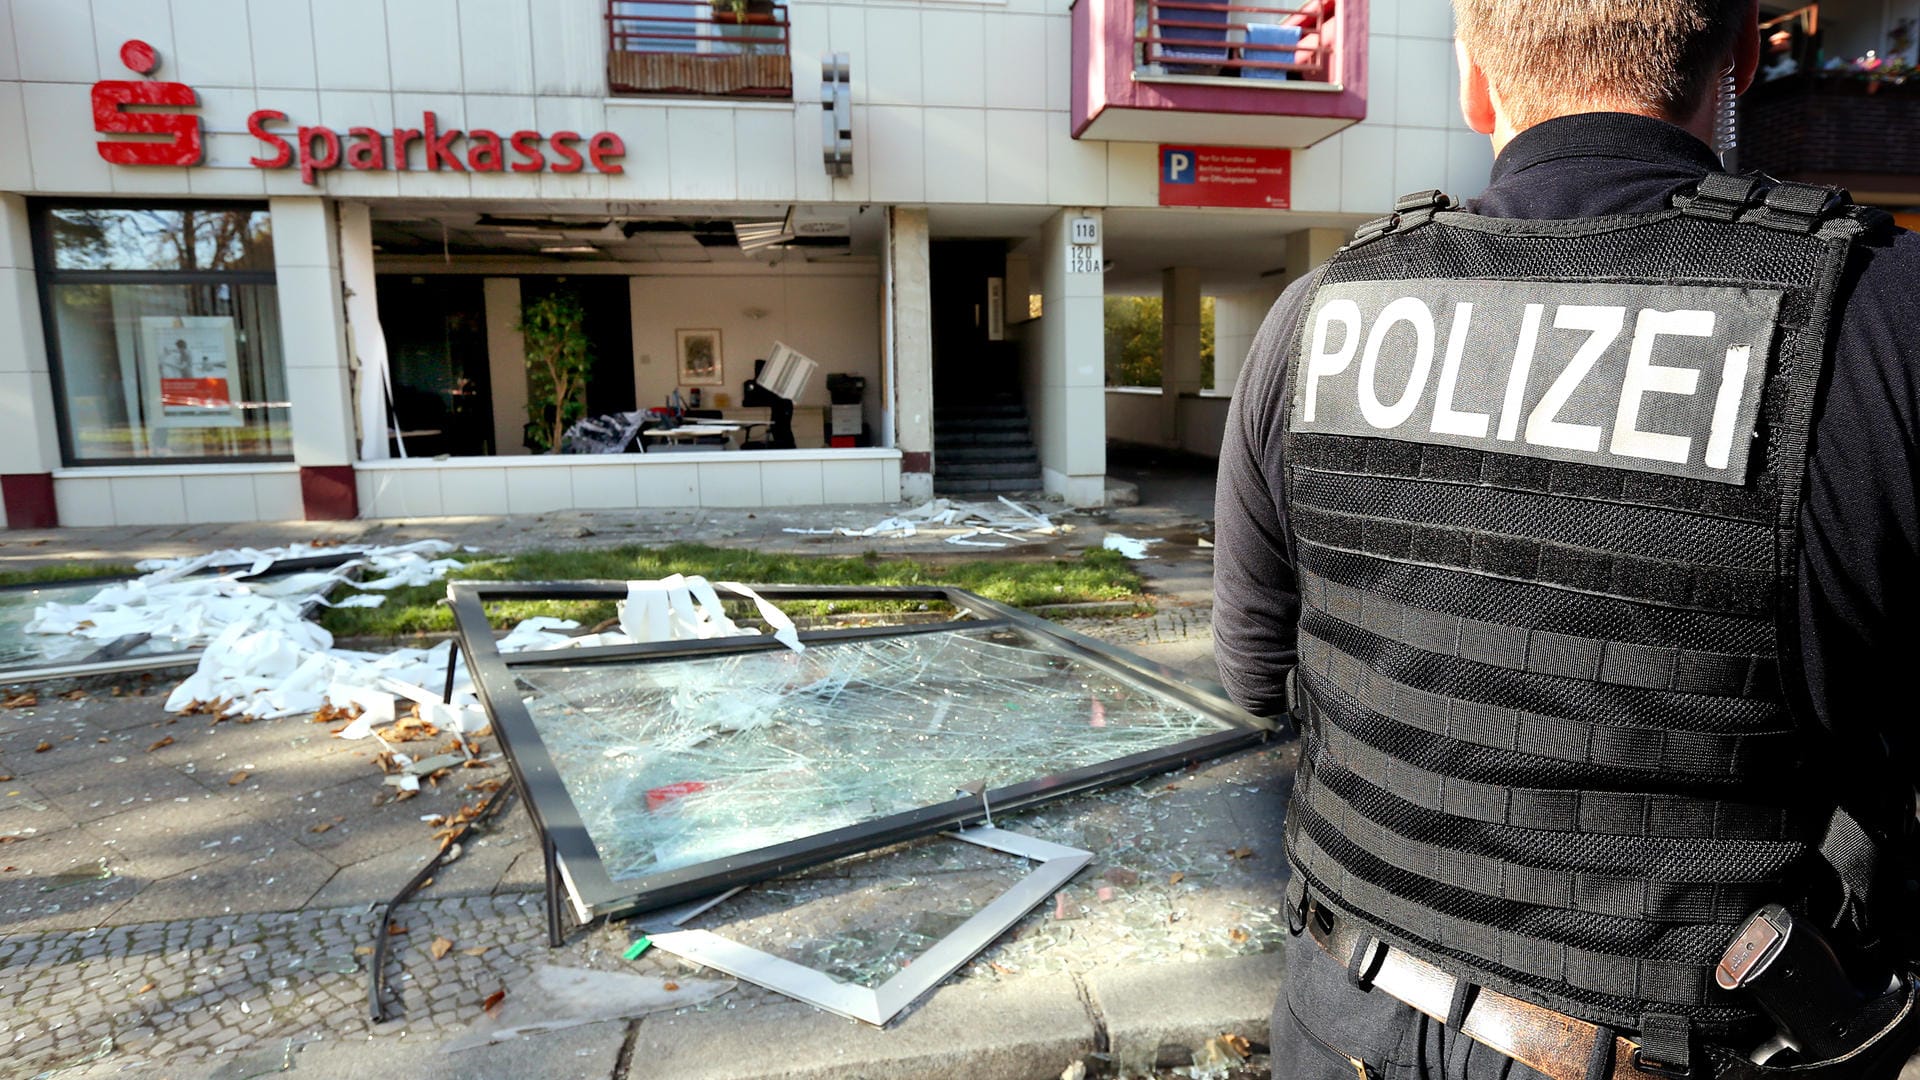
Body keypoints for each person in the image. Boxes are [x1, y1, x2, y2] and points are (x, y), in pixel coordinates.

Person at [1211, 2, 1920, 1077]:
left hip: (1340, 1022)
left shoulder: (1315, 318)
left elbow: (1260, 676)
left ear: (1474, 78)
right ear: (1729, 64)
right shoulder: (1883, 320)